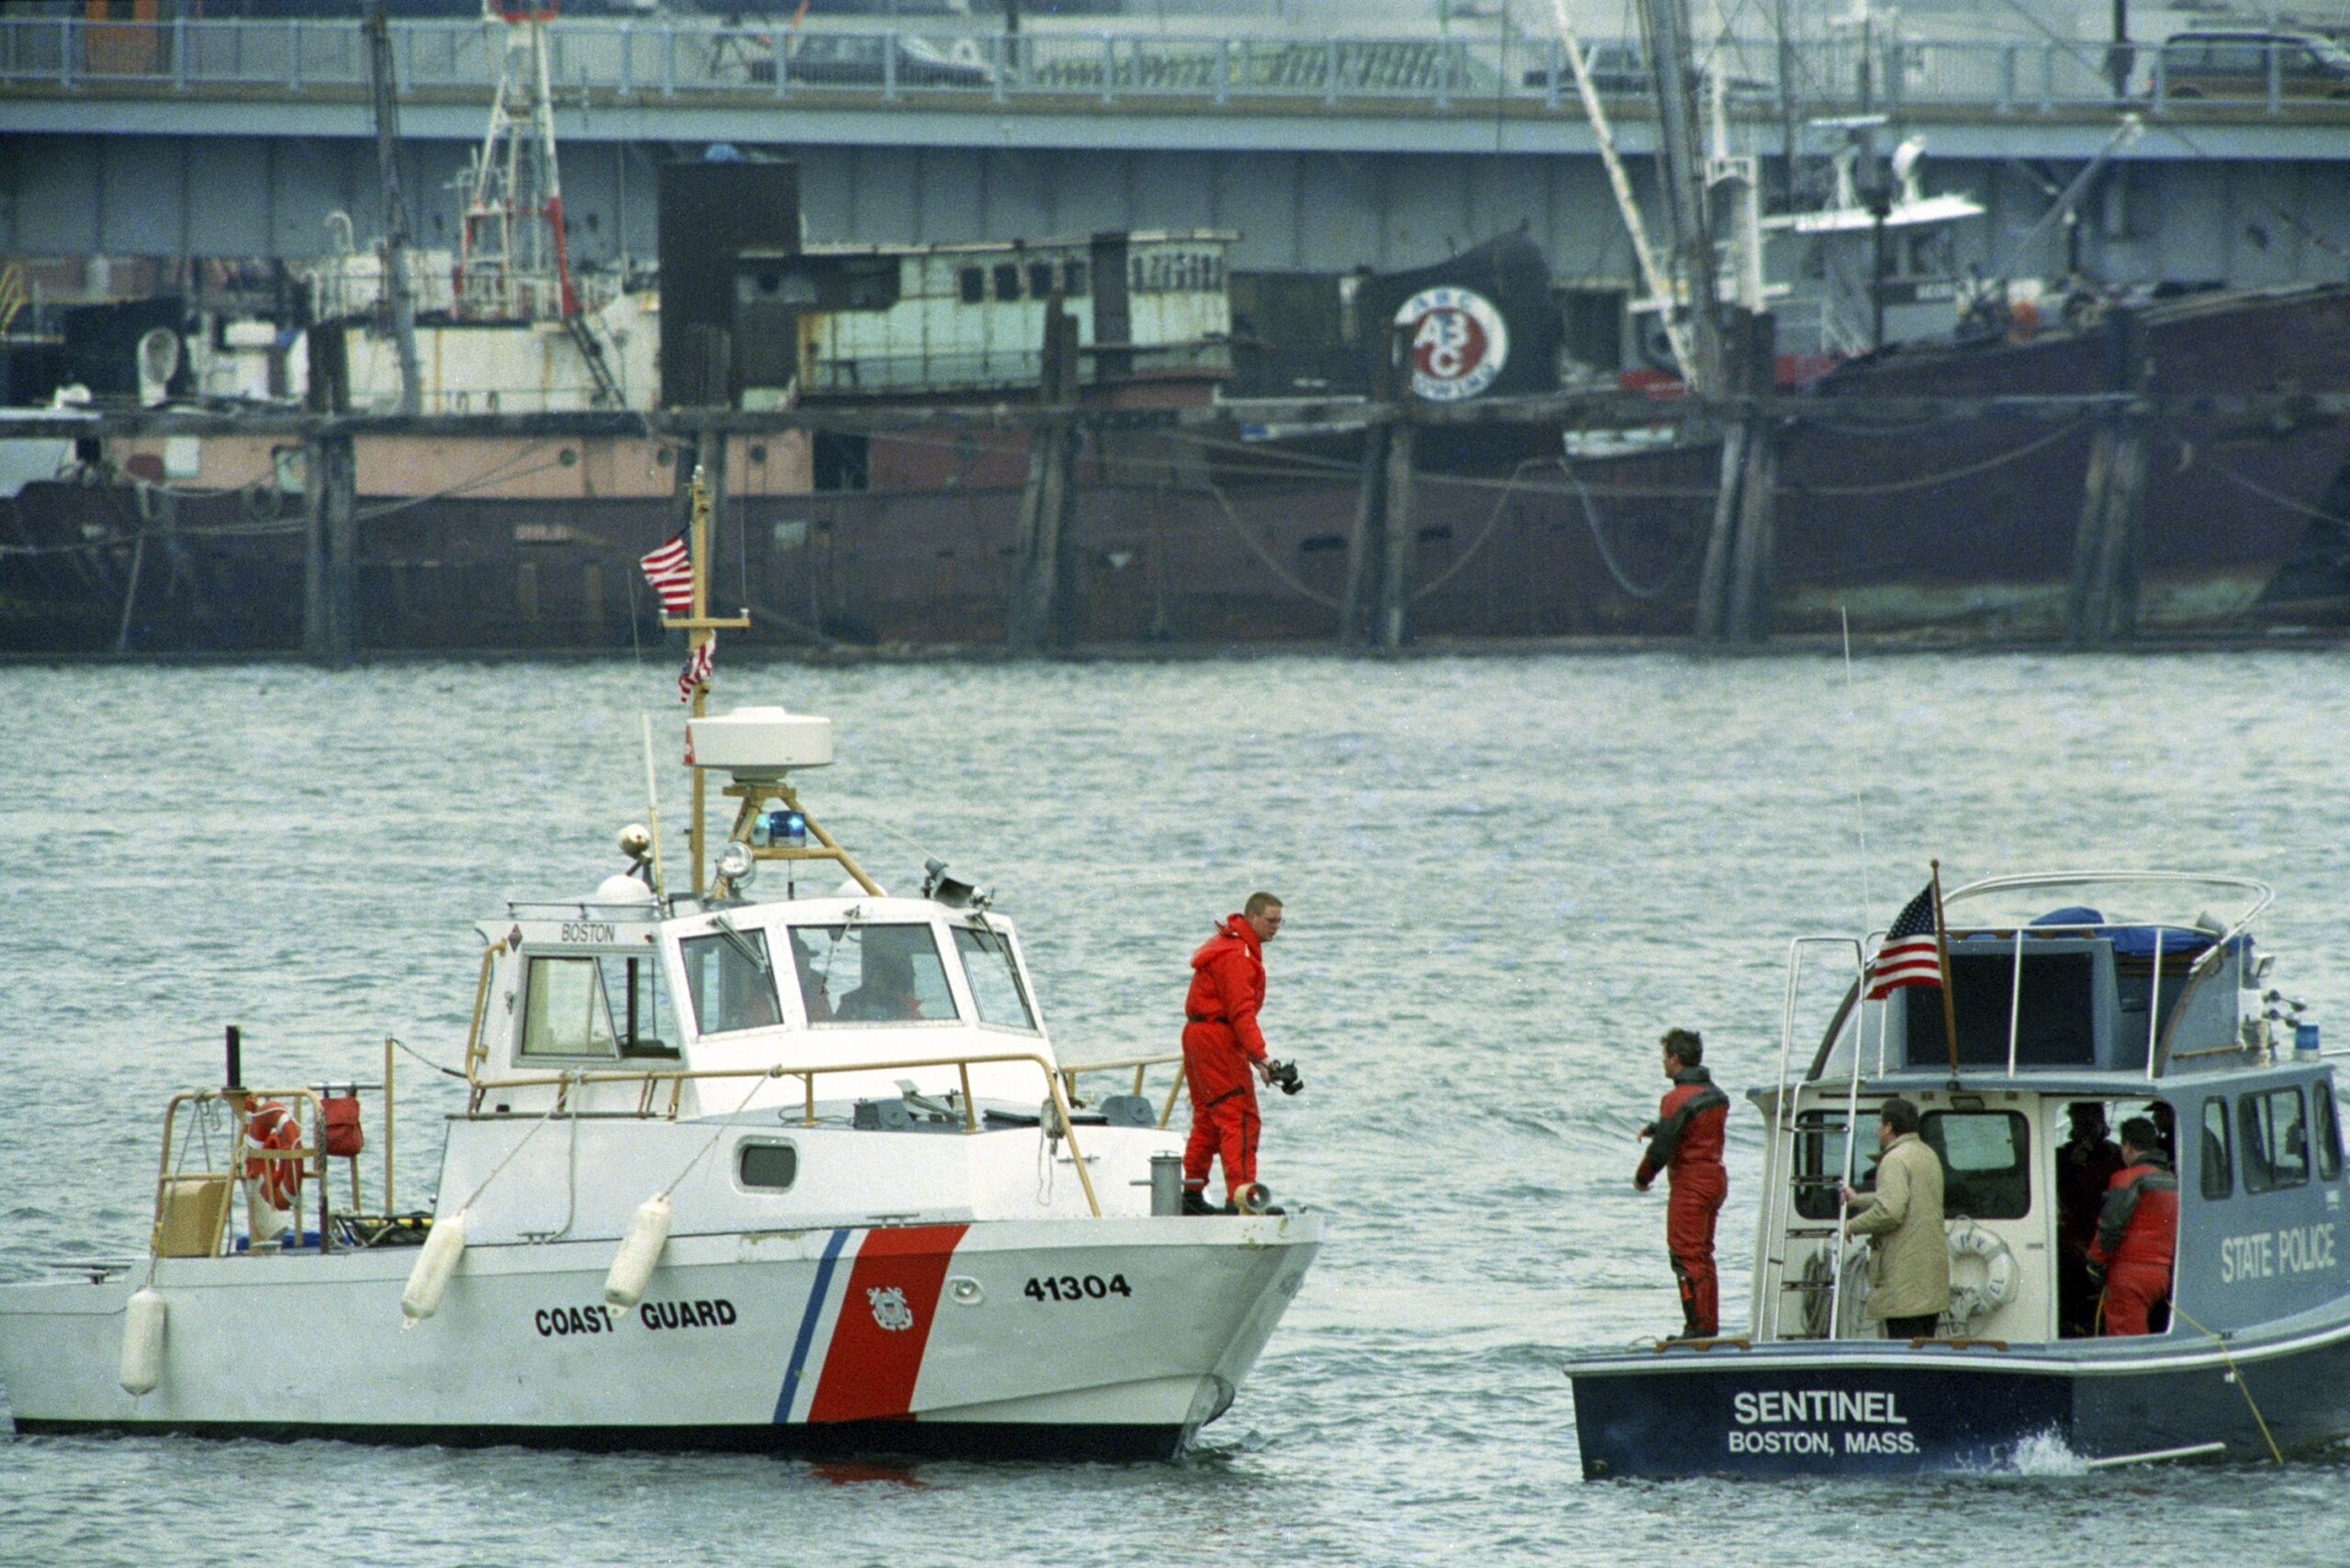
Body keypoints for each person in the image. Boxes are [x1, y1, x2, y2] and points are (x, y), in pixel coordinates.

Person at [1181, 893, 1282, 1215]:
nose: (1276, 927)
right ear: (1252, 917)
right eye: (1270, 920)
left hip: (1200, 1036)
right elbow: (1241, 1014)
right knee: (1239, 1117)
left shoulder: (1229, 945)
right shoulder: (1239, 955)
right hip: (1217, 1037)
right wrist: (1263, 1058)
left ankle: (1192, 1196)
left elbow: (1236, 1016)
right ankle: (1240, 1202)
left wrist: (1257, 1060)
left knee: (1208, 1119)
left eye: (1280, 921)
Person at [1633, 1027, 1729, 1338]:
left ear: (1675, 1059)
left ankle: (1696, 1328)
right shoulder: (1715, 1094)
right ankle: (1707, 1324)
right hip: (1715, 1179)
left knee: (1685, 1255)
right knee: (1703, 1254)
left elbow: (1663, 1149)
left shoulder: (1675, 1098)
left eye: (1665, 1057)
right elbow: (1688, 1127)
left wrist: (1642, 1178)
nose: (1663, 1063)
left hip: (1691, 1185)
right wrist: (1657, 1127)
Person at [1840, 1096, 1951, 1340]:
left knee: (1904, 1350)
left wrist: (1852, 1226)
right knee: (1925, 1348)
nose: (1878, 1129)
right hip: (1929, 1280)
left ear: (1889, 1127)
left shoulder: (1894, 1159)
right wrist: (1858, 1200)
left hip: (1903, 1284)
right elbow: (1908, 1200)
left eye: (1880, 1124)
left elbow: (1890, 1212)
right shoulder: (1928, 1155)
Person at [2088, 1115, 2178, 1337]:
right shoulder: (2171, 1180)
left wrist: (2094, 1262)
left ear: (2127, 1146)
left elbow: (2110, 1226)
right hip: (2160, 1275)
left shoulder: (2127, 1179)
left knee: (2126, 1339)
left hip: (2129, 1277)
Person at [2055, 1103, 2125, 1338]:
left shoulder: (2117, 1155)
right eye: (2079, 1123)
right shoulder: (2063, 1156)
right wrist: (2071, 1166)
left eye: (2089, 1123)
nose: (2084, 1130)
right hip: (2076, 1229)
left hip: (2108, 1228)